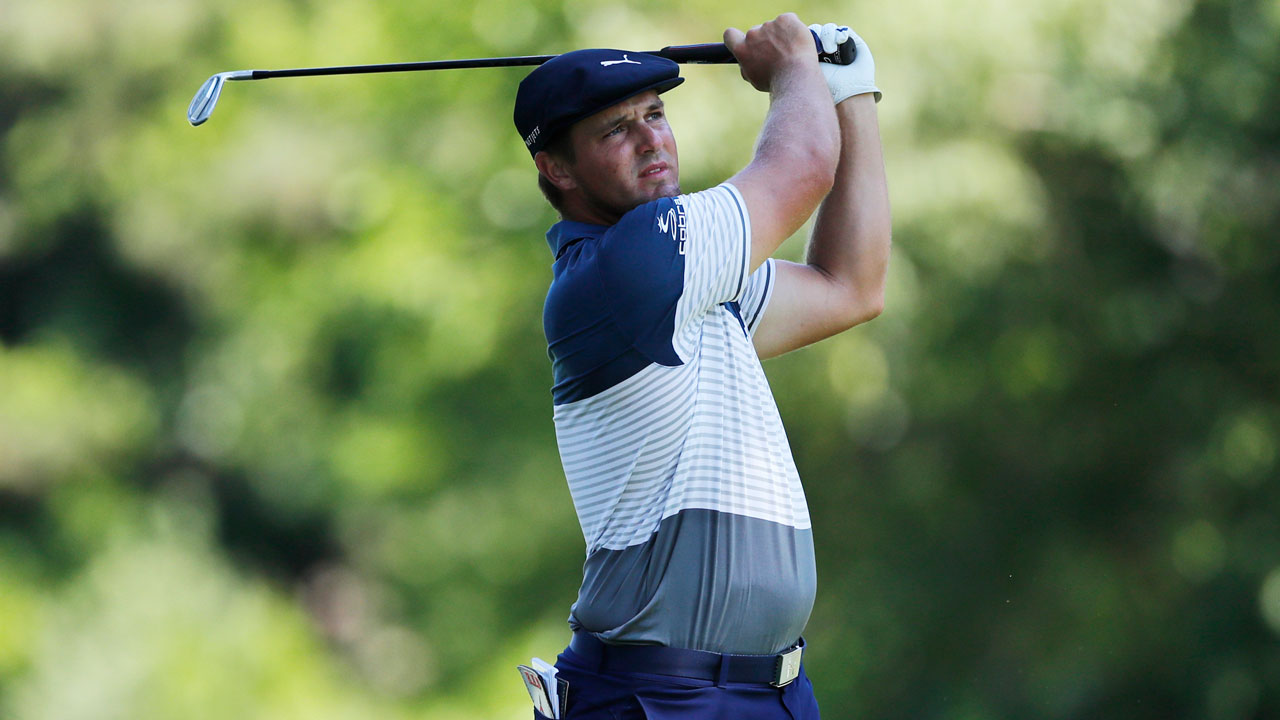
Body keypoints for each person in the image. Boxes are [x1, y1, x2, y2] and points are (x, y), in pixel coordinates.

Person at [512, 13, 890, 719]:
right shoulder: (629, 269)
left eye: (655, 114)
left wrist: (851, 94)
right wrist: (793, 70)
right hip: (660, 697)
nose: (651, 139)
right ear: (556, 168)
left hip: (770, 692)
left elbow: (852, 285)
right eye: (614, 130)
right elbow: (803, 166)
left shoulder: (692, 282)